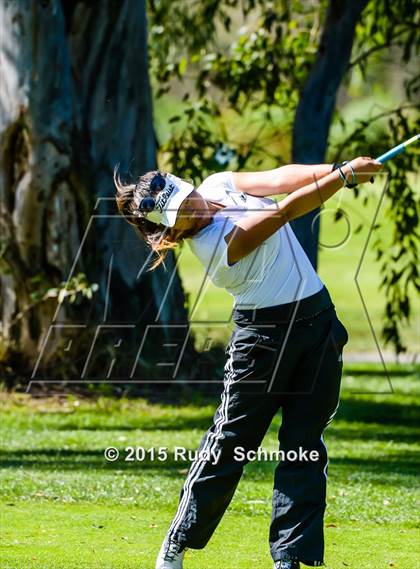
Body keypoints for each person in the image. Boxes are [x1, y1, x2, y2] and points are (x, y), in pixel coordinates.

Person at [114, 157, 383, 569]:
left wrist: (336, 165)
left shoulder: (219, 182)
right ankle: (177, 542)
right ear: (170, 231)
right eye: (181, 215)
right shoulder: (216, 249)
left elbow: (278, 179)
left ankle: (288, 559)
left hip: (317, 323)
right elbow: (284, 209)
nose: (193, 210)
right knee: (230, 444)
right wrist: (343, 179)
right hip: (263, 341)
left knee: (305, 445)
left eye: (188, 199)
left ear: (186, 184)